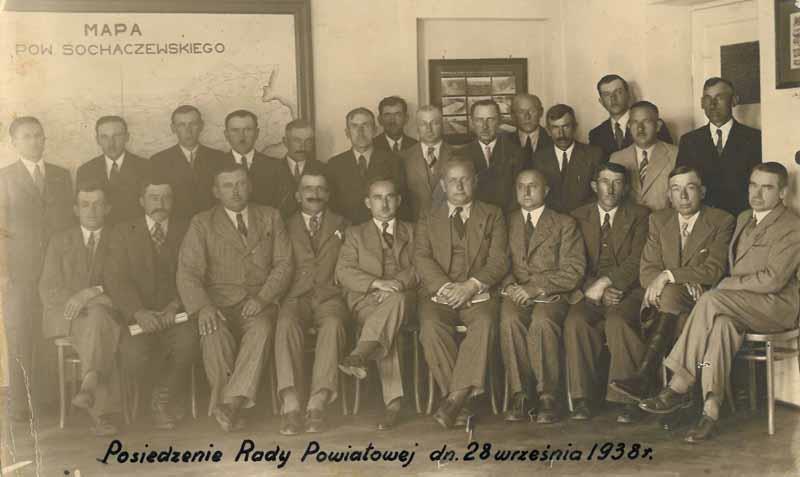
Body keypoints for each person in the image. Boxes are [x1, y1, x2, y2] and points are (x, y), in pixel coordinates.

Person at [639, 162, 800, 443]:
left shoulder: (791, 226)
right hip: (740, 305)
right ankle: (710, 412)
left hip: (776, 307)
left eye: (766, 187)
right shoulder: (744, 218)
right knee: (722, 327)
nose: (757, 193)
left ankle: (678, 384)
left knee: (711, 299)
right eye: (753, 185)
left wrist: (723, 286)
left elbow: (773, 280)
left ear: (783, 193)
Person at [177, 164, 293, 432]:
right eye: (227, 186)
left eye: (240, 184)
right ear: (216, 191)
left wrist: (263, 298)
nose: (236, 191)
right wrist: (203, 307)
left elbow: (285, 264)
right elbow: (188, 271)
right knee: (212, 331)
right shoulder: (202, 222)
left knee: (262, 328)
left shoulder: (270, 216)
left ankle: (230, 404)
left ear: (250, 186)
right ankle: (232, 406)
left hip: (258, 302)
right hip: (217, 304)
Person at [609, 165, 734, 402]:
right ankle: (676, 399)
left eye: (690, 188)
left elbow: (713, 270)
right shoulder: (658, 220)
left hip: (701, 300)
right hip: (665, 300)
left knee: (674, 302)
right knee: (675, 309)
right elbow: (647, 271)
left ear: (703, 192)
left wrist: (668, 275)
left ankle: (646, 377)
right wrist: (682, 280)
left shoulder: (721, 220)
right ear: (669, 195)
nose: (683, 196)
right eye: (676, 189)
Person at [414, 158, 509, 429]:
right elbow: (421, 257)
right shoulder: (428, 216)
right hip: (440, 294)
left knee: (485, 323)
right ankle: (462, 401)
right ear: (443, 185)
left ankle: (453, 400)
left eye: (464, 179)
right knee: (430, 326)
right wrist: (446, 288)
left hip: (478, 293)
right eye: (452, 180)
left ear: (475, 182)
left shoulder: (493, 214)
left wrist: (470, 286)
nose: (459, 186)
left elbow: (499, 260)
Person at [104, 178, 199, 430]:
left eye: (166, 197)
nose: (160, 203)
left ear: (173, 201)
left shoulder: (188, 229)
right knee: (133, 355)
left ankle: (162, 399)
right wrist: (138, 312)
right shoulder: (123, 232)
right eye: (154, 198)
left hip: (175, 315)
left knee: (190, 343)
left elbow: (196, 272)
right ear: (141, 201)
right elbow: (115, 279)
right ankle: (157, 398)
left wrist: (176, 305)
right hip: (137, 319)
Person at [563, 162, 650, 423]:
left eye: (617, 182)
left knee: (618, 321)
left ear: (626, 188)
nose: (610, 189)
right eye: (604, 182)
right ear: (594, 186)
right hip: (589, 291)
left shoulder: (641, 215)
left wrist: (610, 284)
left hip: (629, 291)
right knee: (576, 321)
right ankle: (583, 398)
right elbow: (573, 262)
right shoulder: (577, 216)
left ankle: (627, 399)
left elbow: (638, 259)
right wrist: (595, 289)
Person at [0, 116, 73, 421]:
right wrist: (3, 272)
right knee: (19, 332)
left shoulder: (61, 176)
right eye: (27, 136)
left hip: (55, 271)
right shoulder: (4, 178)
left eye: (38, 135)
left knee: (49, 330)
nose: (34, 141)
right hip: (19, 272)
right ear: (14, 143)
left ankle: (48, 400)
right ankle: (20, 405)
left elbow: (69, 226)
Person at [500, 169, 585, 424]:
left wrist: (536, 288)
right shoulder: (506, 222)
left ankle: (548, 395)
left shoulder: (564, 223)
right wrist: (510, 286)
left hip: (552, 294)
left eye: (533, 186)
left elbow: (574, 270)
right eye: (521, 186)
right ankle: (521, 394)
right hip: (516, 293)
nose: (526, 192)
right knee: (510, 320)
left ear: (546, 191)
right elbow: (499, 263)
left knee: (542, 322)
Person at [336, 177, 417, 431]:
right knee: (387, 328)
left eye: (389, 197)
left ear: (399, 200)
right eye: (377, 198)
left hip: (404, 298)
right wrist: (377, 284)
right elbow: (343, 271)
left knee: (396, 302)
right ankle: (393, 404)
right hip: (367, 299)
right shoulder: (355, 233)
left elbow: (422, 266)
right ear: (367, 203)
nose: (384, 203)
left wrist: (397, 284)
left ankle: (359, 354)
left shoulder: (414, 231)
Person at [39, 184, 119, 435]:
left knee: (98, 321)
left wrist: (90, 292)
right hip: (67, 316)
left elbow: (124, 284)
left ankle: (89, 389)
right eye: (85, 204)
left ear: (108, 208)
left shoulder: (119, 238)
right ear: (75, 209)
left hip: (104, 315)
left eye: (97, 204)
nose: (91, 210)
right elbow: (49, 288)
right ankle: (99, 407)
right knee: (99, 322)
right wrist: (87, 298)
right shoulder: (59, 240)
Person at [274, 172, 349, 435]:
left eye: (320, 188)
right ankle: (291, 402)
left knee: (334, 324)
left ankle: (318, 401)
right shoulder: (283, 225)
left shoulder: (343, 224)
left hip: (330, 296)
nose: (314, 194)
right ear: (297, 195)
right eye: (308, 188)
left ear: (328, 194)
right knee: (285, 323)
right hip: (295, 295)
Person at [675, 77, 762, 216]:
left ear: (734, 101)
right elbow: (681, 183)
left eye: (719, 98)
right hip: (702, 219)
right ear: (702, 103)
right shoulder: (689, 141)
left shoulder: (754, 139)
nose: (712, 104)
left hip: (741, 218)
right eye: (707, 99)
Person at [326, 107, 406, 224]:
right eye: (355, 126)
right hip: (346, 229)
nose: (360, 132)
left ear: (375, 130)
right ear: (347, 133)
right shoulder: (334, 165)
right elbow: (331, 205)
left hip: (383, 228)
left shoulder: (393, 161)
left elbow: (401, 200)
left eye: (366, 125)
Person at [150, 105, 227, 219]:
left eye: (193, 124)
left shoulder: (219, 158)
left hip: (212, 222)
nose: (188, 130)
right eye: (181, 125)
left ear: (201, 126)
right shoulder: (158, 161)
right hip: (175, 223)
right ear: (173, 128)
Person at [76, 116, 150, 225]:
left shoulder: (145, 167)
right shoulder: (86, 170)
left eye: (117, 136)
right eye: (104, 137)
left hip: (134, 231)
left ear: (127, 137)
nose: (111, 143)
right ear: (97, 140)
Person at [532, 104, 603, 214]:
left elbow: (598, 195)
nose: (561, 133)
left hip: (584, 219)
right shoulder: (538, 158)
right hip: (551, 221)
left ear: (575, 127)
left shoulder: (594, 155)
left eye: (566, 126)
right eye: (555, 127)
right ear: (548, 130)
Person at [455, 99, 524, 212]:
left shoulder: (515, 153)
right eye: (479, 120)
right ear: (472, 123)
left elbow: (518, 193)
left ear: (499, 121)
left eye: (490, 119)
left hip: (507, 216)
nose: (485, 126)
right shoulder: (461, 155)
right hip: (474, 217)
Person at [610, 101, 678, 211]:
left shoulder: (675, 155)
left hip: (664, 220)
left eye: (646, 121)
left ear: (658, 126)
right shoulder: (616, 158)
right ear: (629, 126)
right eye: (635, 122)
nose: (640, 128)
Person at [252, 119, 326, 218]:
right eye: (297, 140)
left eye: (308, 141)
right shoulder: (269, 171)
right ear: (285, 142)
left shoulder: (323, 169)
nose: (302, 146)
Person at [589, 74, 673, 159]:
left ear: (628, 95)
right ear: (601, 101)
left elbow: (668, 158)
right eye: (607, 94)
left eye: (618, 92)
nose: (613, 98)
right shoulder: (596, 135)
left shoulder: (654, 125)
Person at [400, 105, 454, 220]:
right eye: (423, 124)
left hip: (449, 223)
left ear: (442, 125)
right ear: (417, 127)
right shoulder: (403, 158)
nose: (429, 129)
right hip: (415, 223)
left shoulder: (457, 155)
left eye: (434, 123)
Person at [222, 109, 270, 184]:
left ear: (257, 133)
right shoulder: (215, 165)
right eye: (235, 130)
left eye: (248, 130)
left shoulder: (275, 166)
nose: (241, 136)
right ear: (226, 135)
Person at [507, 93, 553, 166]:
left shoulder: (553, 140)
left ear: (541, 112)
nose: (527, 117)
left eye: (532, 111)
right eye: (521, 112)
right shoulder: (504, 143)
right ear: (513, 115)